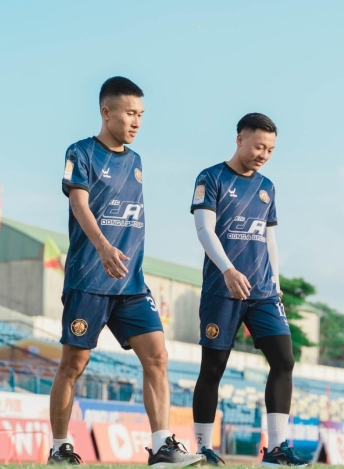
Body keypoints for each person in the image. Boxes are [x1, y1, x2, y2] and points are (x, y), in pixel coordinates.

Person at [49, 76, 203, 467]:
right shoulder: (81, 152)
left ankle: (162, 447)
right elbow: (79, 204)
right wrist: (103, 247)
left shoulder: (136, 162)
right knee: (73, 364)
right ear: (106, 112)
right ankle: (60, 448)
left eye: (141, 115)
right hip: (89, 279)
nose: (137, 121)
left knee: (158, 356)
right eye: (130, 113)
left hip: (131, 283)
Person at [189, 113, 308, 467]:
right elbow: (204, 230)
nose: (263, 155)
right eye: (258, 146)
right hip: (222, 289)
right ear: (240, 139)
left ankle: (277, 449)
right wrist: (227, 270)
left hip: (263, 293)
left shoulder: (267, 187)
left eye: (270, 150)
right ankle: (203, 448)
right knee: (213, 368)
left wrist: (276, 282)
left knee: (284, 360)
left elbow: (269, 238)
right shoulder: (211, 178)